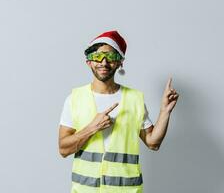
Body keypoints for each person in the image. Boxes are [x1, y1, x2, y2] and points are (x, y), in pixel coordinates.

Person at [58, 30, 179, 193]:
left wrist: (165, 111)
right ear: (89, 61)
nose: (103, 62)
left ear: (120, 62)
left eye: (111, 57)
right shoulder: (74, 99)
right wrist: (92, 128)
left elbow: (153, 143)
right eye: (97, 57)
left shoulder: (135, 99)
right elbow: (63, 149)